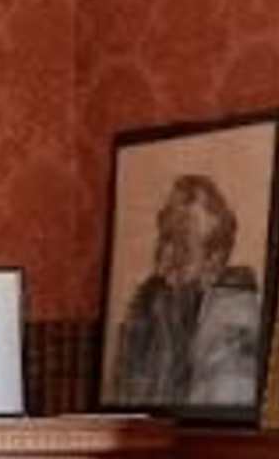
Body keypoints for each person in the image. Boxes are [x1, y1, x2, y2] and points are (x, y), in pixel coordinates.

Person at [112, 170, 264, 411]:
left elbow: (215, 417)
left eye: (183, 246)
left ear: (213, 261)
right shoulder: (149, 305)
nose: (164, 260)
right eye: (164, 239)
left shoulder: (234, 318)